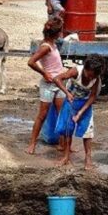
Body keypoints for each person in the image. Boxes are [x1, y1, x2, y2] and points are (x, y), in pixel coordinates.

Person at [53, 54, 105, 169]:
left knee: (87, 132)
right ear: (85, 69)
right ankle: (66, 156)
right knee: (67, 129)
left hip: (85, 104)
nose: (90, 78)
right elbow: (56, 79)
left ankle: (88, 157)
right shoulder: (76, 71)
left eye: (93, 76)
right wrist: (67, 93)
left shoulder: (96, 79)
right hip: (71, 101)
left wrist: (80, 113)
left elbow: (92, 97)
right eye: (88, 75)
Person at [26, 17, 67, 154]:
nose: (61, 34)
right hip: (49, 85)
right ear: (56, 33)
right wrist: (44, 73)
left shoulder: (52, 44)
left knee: (62, 114)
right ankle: (32, 144)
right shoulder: (46, 47)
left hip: (59, 83)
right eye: (60, 32)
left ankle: (62, 144)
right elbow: (31, 62)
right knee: (42, 115)